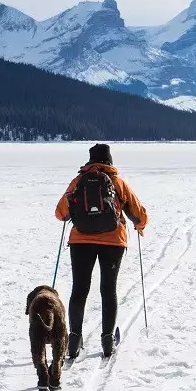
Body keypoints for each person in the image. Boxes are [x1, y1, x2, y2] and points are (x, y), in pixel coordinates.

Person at [55, 143, 148, 359]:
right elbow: (139, 214)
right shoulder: (118, 182)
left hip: (80, 242)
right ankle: (107, 341)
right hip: (113, 242)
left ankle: (74, 341)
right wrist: (139, 226)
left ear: (90, 160)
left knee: (79, 290)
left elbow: (60, 213)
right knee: (108, 290)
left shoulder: (78, 181)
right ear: (110, 160)